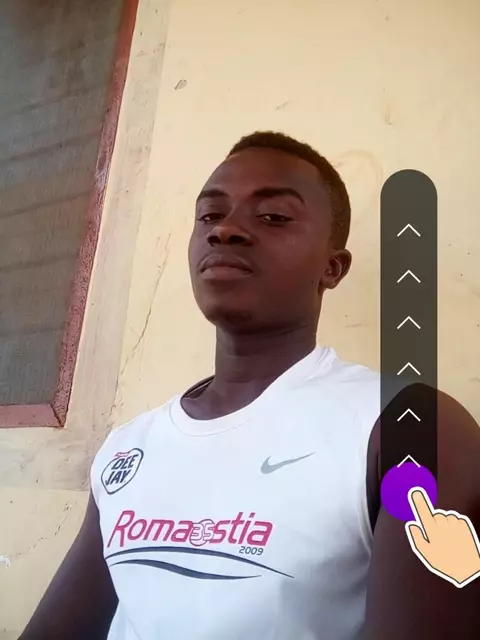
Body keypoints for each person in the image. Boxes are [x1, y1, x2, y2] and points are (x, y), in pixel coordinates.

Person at [21, 132, 480, 639]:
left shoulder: (407, 428)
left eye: (273, 216)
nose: (226, 230)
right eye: (209, 215)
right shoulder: (129, 448)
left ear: (332, 268)